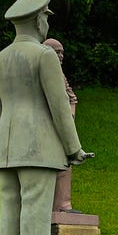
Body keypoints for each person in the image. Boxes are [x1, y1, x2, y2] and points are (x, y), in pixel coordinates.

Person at [0, 0, 88, 235]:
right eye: (45, 16)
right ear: (37, 21)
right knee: (35, 208)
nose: (47, 22)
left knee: (10, 210)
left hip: (6, 146)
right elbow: (60, 107)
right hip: (37, 145)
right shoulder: (44, 55)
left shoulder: (1, 58)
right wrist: (74, 148)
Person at [44, 37, 84, 216]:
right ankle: (55, 205)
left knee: (66, 162)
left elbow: (72, 97)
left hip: (64, 125)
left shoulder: (60, 74)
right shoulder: (43, 71)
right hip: (48, 126)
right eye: (56, 51)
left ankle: (63, 204)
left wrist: (70, 116)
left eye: (62, 52)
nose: (60, 56)